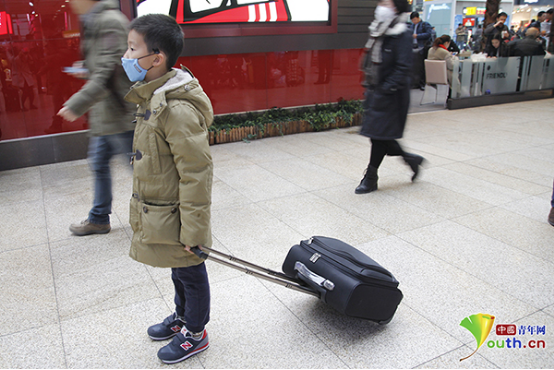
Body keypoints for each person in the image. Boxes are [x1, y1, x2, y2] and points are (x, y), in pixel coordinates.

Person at [122, 14, 214, 364]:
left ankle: (196, 332)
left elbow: (197, 173)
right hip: (163, 209)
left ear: (156, 58)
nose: (127, 56)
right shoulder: (153, 96)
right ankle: (181, 317)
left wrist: (195, 229)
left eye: (133, 49)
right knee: (177, 269)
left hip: (180, 212)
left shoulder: (175, 109)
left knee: (190, 270)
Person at [59, 0, 135, 236]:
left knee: (142, 170)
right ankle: (99, 218)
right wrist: (86, 67)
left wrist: (77, 104)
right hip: (106, 113)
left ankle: (171, 213)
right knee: (99, 163)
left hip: (120, 112)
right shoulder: (96, 21)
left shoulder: (110, 21)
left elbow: (110, 70)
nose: (71, 3)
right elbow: (103, 64)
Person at [356, 0, 425, 194]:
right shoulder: (379, 30)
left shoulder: (401, 34)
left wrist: (385, 89)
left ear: (396, 7)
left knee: (378, 137)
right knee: (378, 136)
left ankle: (370, 178)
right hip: (377, 91)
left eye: (385, 2)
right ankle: (411, 160)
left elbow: (403, 67)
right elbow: (371, 62)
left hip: (392, 95)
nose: (381, 5)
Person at [409, 11, 433, 90]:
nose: (414, 21)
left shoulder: (425, 25)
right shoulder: (412, 26)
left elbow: (428, 34)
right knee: (414, 66)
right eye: (412, 20)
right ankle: (415, 83)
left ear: (418, 18)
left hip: (422, 47)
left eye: (415, 19)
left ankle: (422, 83)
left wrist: (417, 36)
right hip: (414, 47)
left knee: (422, 67)